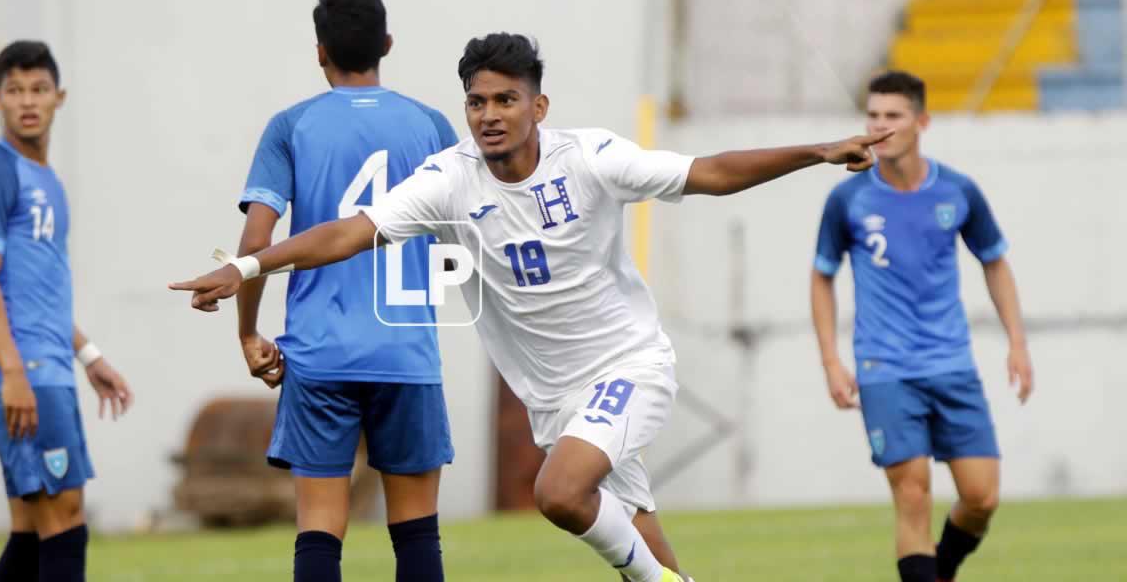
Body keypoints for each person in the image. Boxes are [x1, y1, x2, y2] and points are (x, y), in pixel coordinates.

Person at [172, 33, 886, 582]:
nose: (489, 115)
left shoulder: (591, 159)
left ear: (537, 106)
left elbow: (708, 172)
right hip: (556, 401)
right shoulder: (447, 181)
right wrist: (247, 265)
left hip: (630, 369)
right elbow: (350, 231)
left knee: (561, 493)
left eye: (505, 100)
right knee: (639, 533)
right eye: (477, 102)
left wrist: (817, 151)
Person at [230, 0, 456, 581]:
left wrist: (248, 332)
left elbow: (256, 243)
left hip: (320, 352)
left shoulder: (292, 125)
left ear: (319, 51)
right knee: (416, 534)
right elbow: (467, 238)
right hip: (406, 353)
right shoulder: (431, 125)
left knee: (320, 532)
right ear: (386, 44)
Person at [809, 71, 1033, 582]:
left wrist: (1017, 343)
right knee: (912, 494)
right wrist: (830, 360)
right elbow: (821, 277)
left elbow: (994, 262)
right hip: (884, 367)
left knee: (981, 497)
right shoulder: (849, 199)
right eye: (873, 115)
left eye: (893, 115)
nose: (879, 126)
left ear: (921, 122)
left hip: (952, 363)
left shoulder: (957, 191)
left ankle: (941, 568)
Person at [0, 40, 134, 582]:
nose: (27, 101)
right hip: (25, 377)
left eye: (38, 89)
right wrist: (13, 371)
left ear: (59, 97)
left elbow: (37, 289)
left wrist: (87, 353)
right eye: (15, 91)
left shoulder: (50, 182)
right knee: (66, 520)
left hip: (47, 366)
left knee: (32, 528)